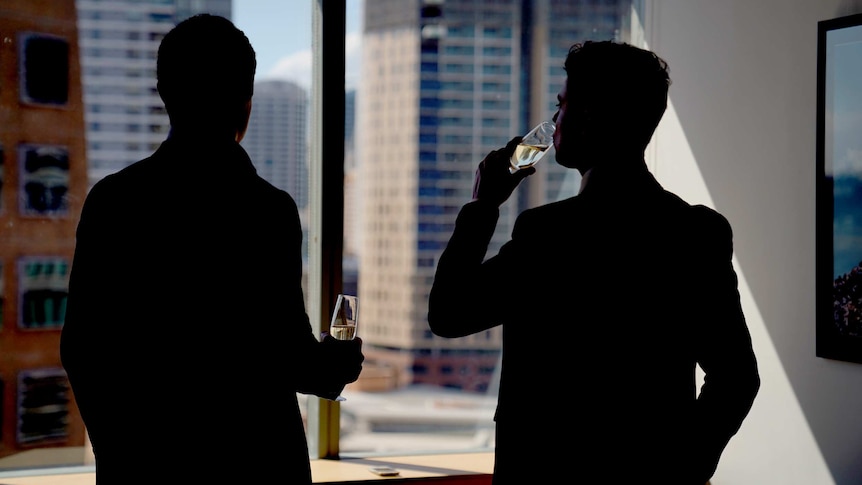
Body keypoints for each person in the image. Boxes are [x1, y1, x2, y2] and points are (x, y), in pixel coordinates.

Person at [427, 40, 760, 485]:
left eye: (561, 104)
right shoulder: (697, 231)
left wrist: (484, 204)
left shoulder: (548, 234)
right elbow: (737, 378)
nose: (554, 119)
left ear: (587, 118)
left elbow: (449, 314)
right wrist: (685, 468)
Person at [60, 14, 363, 484]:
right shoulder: (266, 211)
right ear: (246, 102)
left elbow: (82, 350)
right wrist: (337, 364)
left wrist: (122, 457)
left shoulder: (115, 200)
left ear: (164, 94)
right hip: (257, 465)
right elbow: (294, 360)